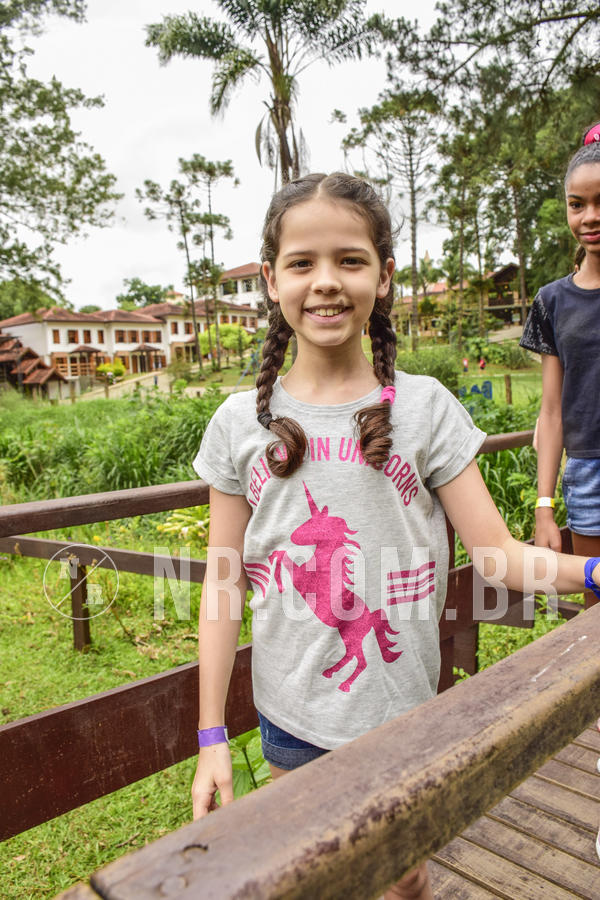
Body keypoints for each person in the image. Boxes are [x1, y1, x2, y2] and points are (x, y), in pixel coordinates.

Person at [191, 173, 600, 900]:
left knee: (405, 878)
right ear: (270, 278)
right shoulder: (236, 424)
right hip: (292, 719)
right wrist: (210, 738)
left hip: (406, 717)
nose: (326, 283)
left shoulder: (426, 409)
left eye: (350, 260)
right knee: (313, 878)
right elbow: (223, 583)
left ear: (384, 277)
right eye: (302, 263)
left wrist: (594, 577)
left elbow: (499, 558)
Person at [520, 123, 600, 607]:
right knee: (597, 620)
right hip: (589, 475)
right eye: (577, 204)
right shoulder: (553, 301)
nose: (590, 217)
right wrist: (544, 506)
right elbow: (551, 412)